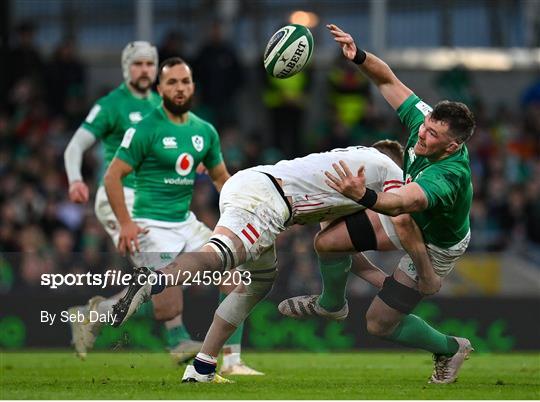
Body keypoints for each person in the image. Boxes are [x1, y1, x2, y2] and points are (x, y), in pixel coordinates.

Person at [108, 140, 437, 383]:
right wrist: (423, 273)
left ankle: (203, 367)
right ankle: (156, 280)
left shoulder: (344, 174)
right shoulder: (387, 166)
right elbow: (400, 211)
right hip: (268, 198)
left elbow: (338, 249)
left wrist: (385, 284)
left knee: (257, 281)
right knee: (223, 252)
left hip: (258, 188)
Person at [280, 24, 476, 385]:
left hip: (435, 245)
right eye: (426, 125)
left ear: (452, 147)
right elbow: (388, 82)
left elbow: (403, 202)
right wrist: (359, 57)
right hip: (405, 219)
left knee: (378, 324)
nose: (421, 134)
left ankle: (450, 347)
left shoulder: (448, 174)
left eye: (432, 135)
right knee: (327, 243)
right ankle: (331, 304)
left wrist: (364, 197)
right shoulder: (425, 123)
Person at [103, 57, 260, 375]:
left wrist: (239, 215)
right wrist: (125, 223)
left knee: (236, 273)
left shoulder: (204, 131)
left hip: (184, 221)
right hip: (149, 223)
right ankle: (110, 318)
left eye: (184, 82)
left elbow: (221, 179)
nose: (179, 88)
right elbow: (112, 176)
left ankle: (231, 361)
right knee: (168, 304)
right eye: (171, 82)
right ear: (160, 88)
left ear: (192, 87)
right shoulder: (145, 128)